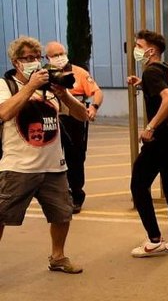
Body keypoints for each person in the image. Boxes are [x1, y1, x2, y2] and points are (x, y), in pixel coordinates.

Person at [0, 36, 89, 274]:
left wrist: (63, 95)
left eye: (35, 57)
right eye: (26, 58)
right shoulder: (5, 85)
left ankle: (58, 257)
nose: (32, 62)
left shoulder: (49, 89)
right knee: (1, 214)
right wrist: (29, 87)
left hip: (53, 165)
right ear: (15, 62)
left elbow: (83, 115)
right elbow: (4, 113)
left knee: (62, 213)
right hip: (19, 166)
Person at [126, 30, 168, 257]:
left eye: (139, 45)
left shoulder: (152, 70)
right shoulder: (167, 68)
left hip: (159, 139)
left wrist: (150, 127)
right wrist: (142, 83)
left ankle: (154, 239)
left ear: (151, 50)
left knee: (139, 186)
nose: (136, 49)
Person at [44, 41, 103, 214]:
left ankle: (76, 195)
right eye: (54, 55)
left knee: (76, 157)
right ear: (47, 58)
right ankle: (58, 195)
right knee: (52, 158)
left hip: (74, 118)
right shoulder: (43, 74)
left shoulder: (78, 72)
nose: (59, 58)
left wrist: (93, 107)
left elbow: (97, 92)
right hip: (52, 118)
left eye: (61, 53)